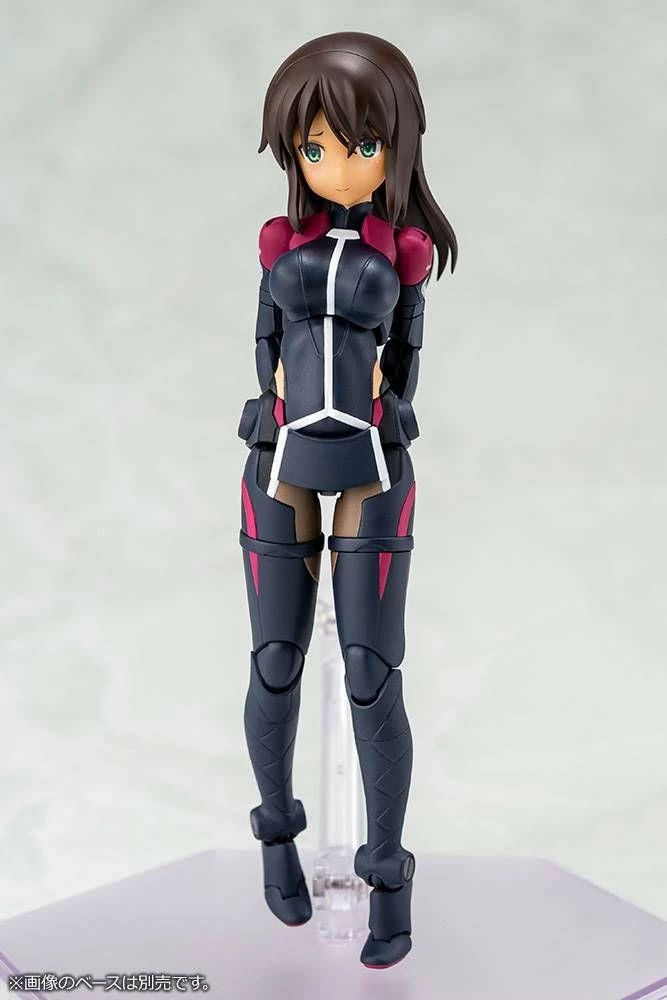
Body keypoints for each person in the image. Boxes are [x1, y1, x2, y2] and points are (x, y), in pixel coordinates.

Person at [238, 31, 457, 969]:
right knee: (275, 661)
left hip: (370, 456)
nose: (333, 164)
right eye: (314, 146)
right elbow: (263, 340)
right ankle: (277, 837)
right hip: (281, 453)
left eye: (361, 145)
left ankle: (388, 879)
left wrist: (388, 407)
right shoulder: (278, 245)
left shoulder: (400, 253)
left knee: (369, 669)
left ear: (394, 148)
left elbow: (407, 357)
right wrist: (273, 400)